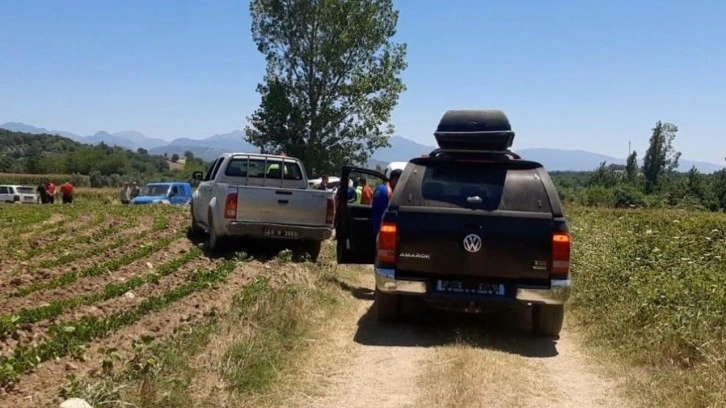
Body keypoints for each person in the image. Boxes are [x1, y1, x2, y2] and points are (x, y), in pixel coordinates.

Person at [372, 169, 402, 235]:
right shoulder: (388, 192)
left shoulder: (379, 188)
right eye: (400, 181)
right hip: (383, 230)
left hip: (375, 227)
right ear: (395, 179)